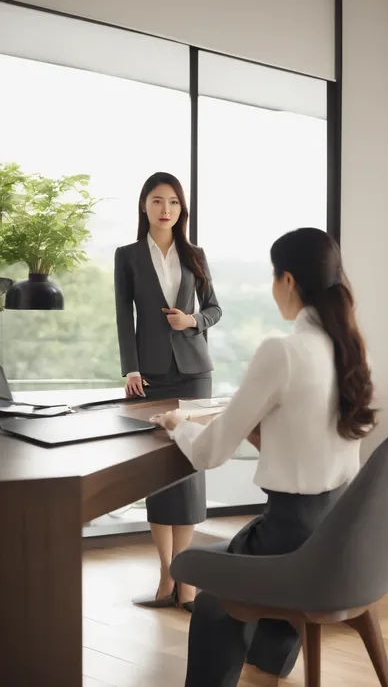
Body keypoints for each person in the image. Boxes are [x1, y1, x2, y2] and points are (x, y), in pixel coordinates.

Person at [154, 227, 377, 686]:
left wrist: (180, 426)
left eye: (274, 277)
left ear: (289, 280)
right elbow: (319, 438)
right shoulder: (349, 347)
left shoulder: (283, 350)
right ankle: (271, 665)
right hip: (339, 535)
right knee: (253, 557)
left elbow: (210, 454)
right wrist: (267, 436)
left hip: (290, 540)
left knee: (214, 595)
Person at [114, 172, 222, 612]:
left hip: (195, 372)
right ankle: (166, 574)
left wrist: (191, 321)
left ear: (182, 209)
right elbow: (123, 314)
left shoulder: (195, 255)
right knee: (158, 473)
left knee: (189, 469)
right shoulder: (127, 256)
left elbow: (214, 309)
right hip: (151, 376)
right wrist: (130, 367)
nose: (166, 209)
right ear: (144, 206)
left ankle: (188, 581)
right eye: (157, 201)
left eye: (174, 202)